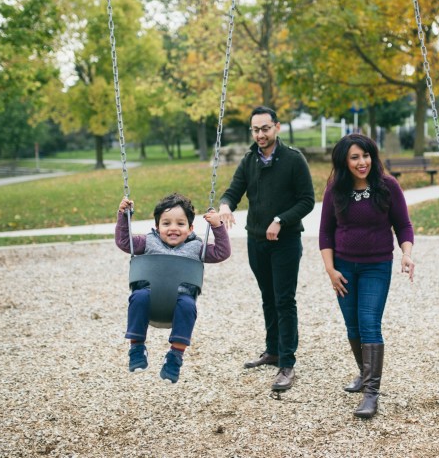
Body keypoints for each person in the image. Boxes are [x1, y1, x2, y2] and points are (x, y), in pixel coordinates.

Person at [318, 133, 415, 419]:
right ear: (344, 162)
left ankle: (371, 393)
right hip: (344, 268)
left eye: (366, 155)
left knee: (369, 323)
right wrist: (330, 269)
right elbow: (325, 232)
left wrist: (407, 254)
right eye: (355, 157)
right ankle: (364, 373)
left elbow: (404, 226)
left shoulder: (387, 186)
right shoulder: (335, 189)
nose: (363, 162)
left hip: (376, 266)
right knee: (352, 327)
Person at [218, 106, 315, 392]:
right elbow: (233, 191)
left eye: (265, 129)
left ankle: (287, 363)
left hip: (285, 242)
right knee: (267, 297)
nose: (260, 134)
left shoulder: (294, 159)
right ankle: (272, 350)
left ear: (277, 128)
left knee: (284, 300)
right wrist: (225, 205)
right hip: (256, 241)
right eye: (255, 130)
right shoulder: (249, 159)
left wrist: (280, 220)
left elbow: (307, 200)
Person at [115, 193, 230, 383]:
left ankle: (175, 356)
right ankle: (136, 348)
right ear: (157, 226)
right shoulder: (147, 241)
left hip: (181, 299)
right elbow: (124, 242)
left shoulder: (196, 246)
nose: (173, 228)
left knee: (188, 306)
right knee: (138, 297)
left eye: (180, 223)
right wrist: (123, 215)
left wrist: (217, 226)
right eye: (166, 223)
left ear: (191, 227)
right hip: (150, 296)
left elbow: (221, 252)